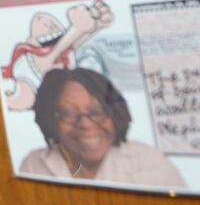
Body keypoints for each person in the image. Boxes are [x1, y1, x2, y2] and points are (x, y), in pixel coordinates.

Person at [20, 68, 186, 188]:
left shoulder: (149, 163)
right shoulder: (34, 165)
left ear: (115, 114)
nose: (85, 124)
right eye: (69, 113)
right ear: (51, 120)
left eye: (97, 111)